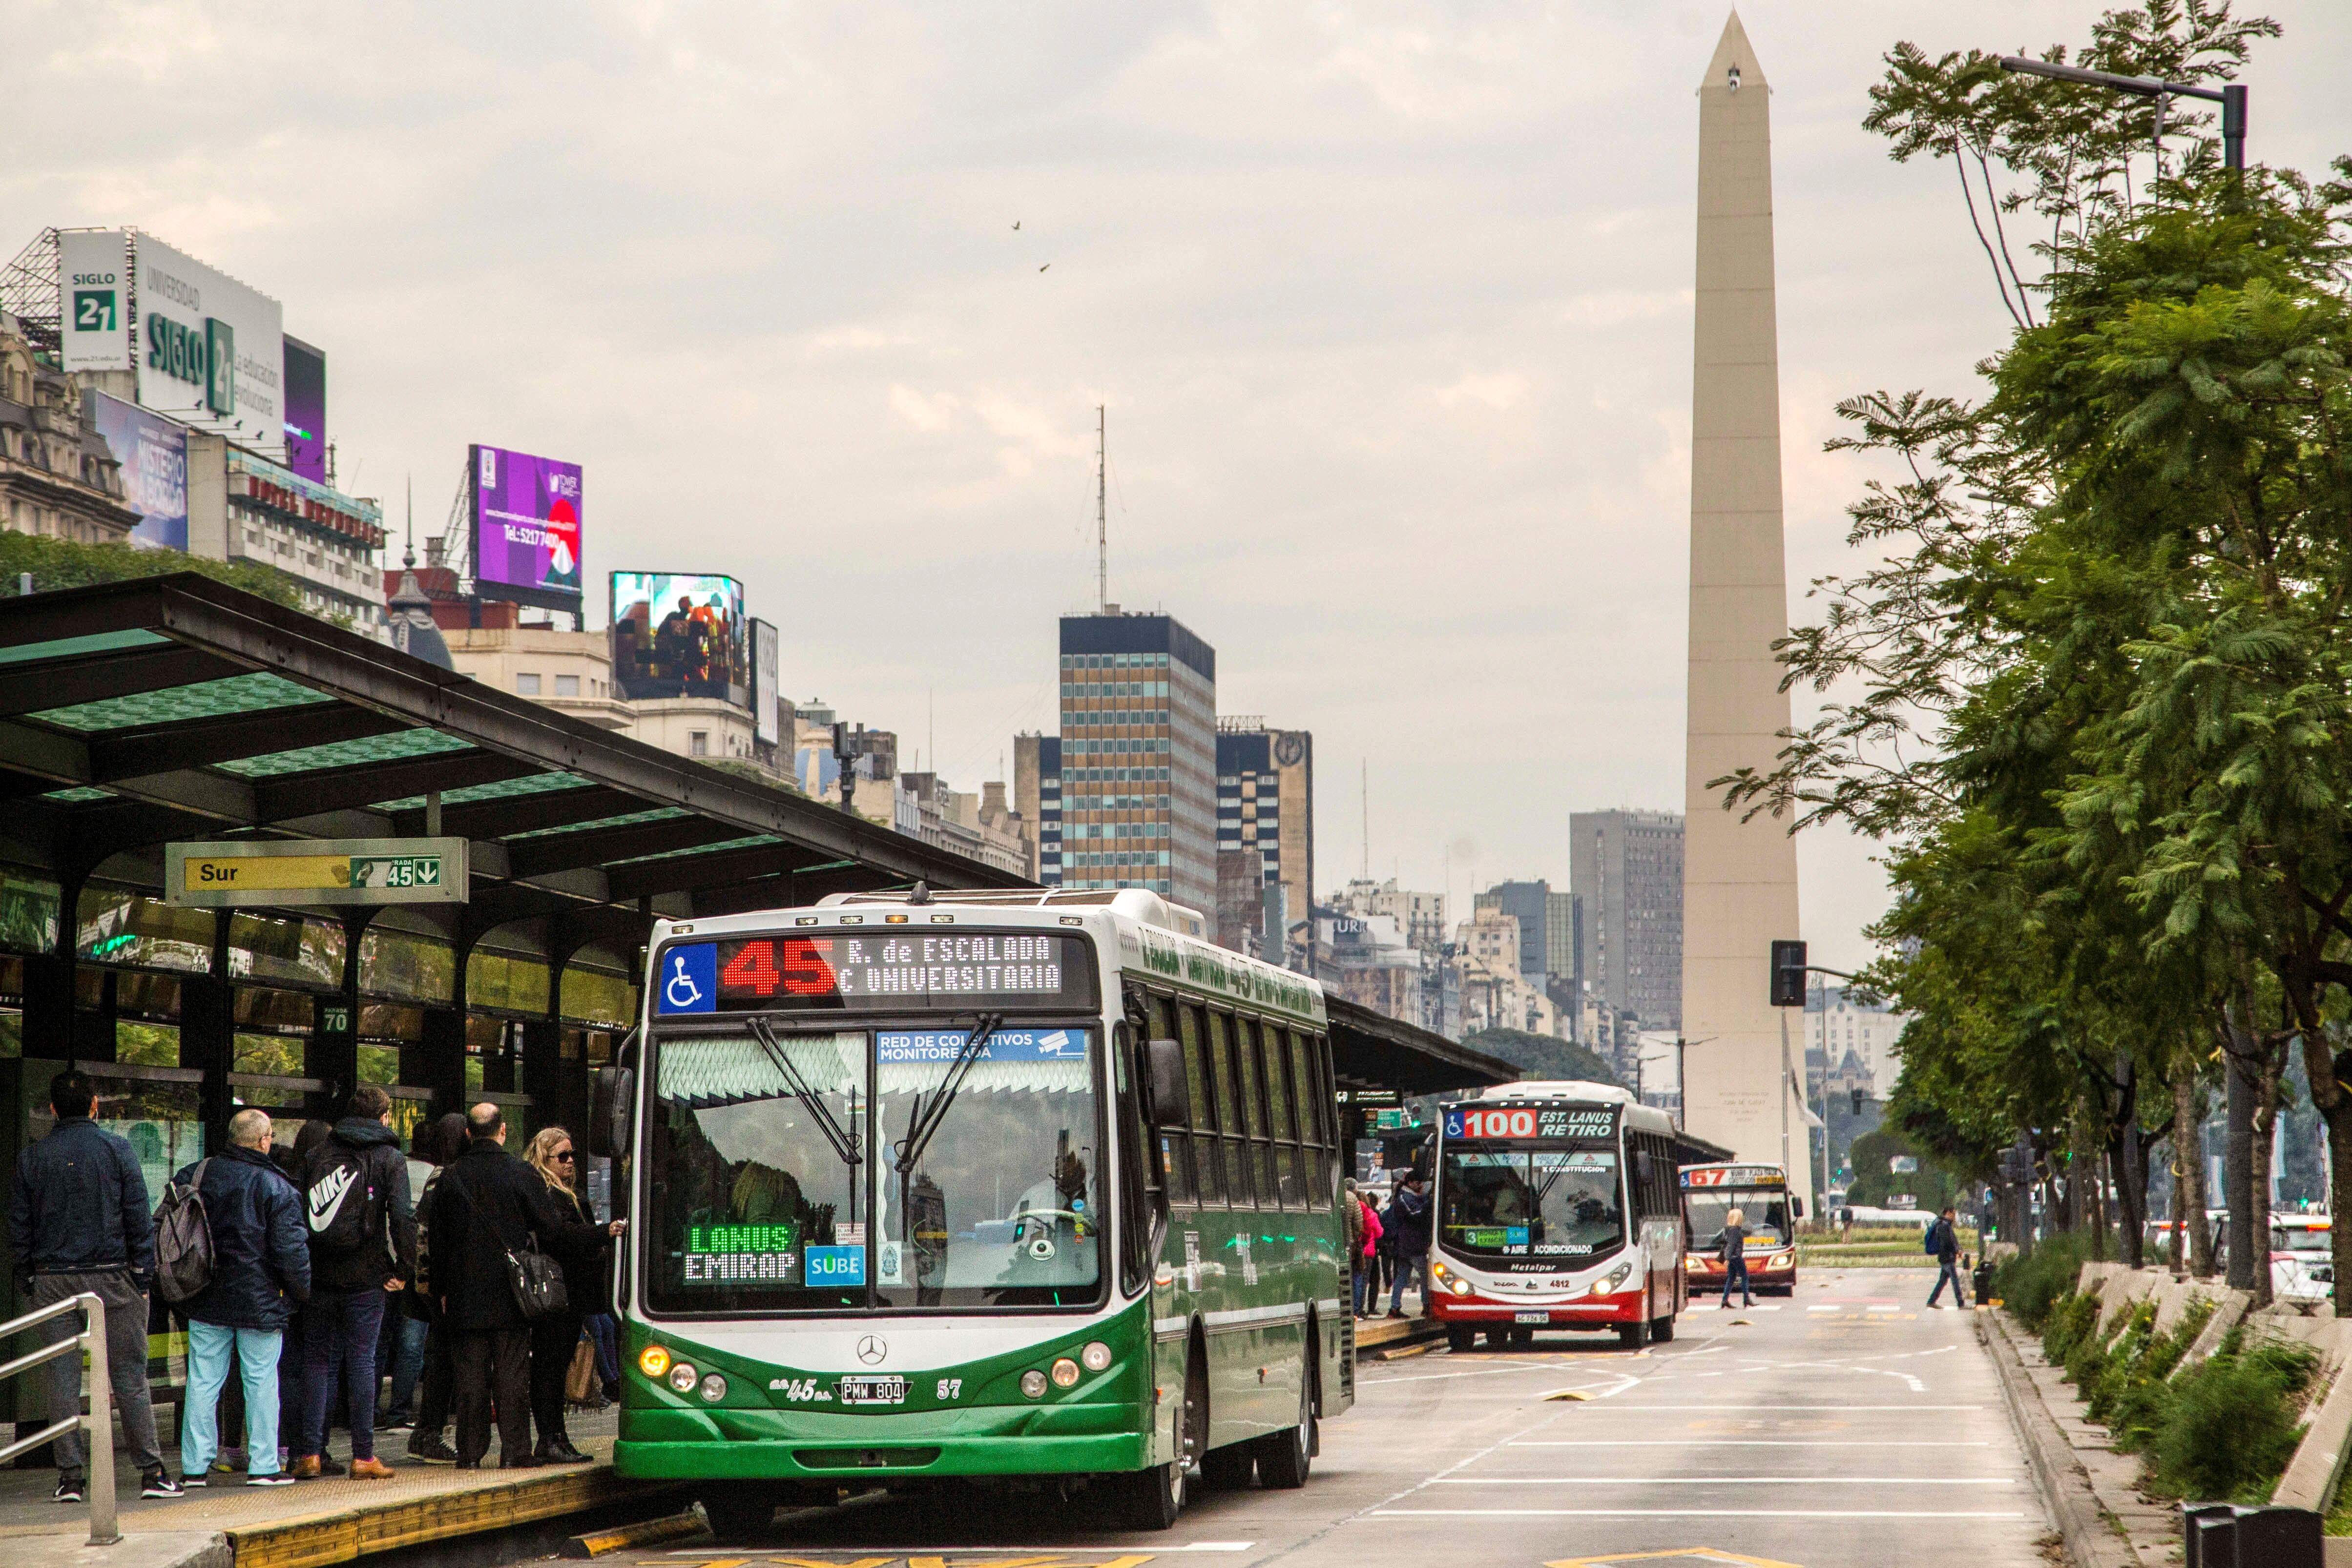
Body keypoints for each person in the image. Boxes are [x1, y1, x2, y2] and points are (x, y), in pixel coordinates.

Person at [7, 1070, 177, 1502]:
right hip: (113, 1275)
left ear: (52, 1110)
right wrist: (143, 1274)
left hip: (52, 1279)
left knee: (61, 1376)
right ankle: (151, 1472)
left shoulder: (33, 1157)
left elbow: (19, 1226)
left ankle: (71, 1478)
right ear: (95, 1104)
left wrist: (28, 1275)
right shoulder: (118, 1150)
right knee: (129, 1376)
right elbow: (137, 1215)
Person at [174, 1108, 310, 1488]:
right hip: (260, 1300)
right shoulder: (276, 1186)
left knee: (203, 1380)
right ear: (264, 1140)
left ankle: (194, 1466)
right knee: (262, 1380)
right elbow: (292, 1252)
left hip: (203, 1294)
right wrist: (300, 1294)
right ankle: (265, 1465)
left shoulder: (195, 1174)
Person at [291, 1087, 416, 1481]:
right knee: (362, 1361)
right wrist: (403, 1268)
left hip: (319, 1274)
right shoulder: (389, 1158)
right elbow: (401, 1218)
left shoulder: (316, 1155)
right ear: (383, 1116)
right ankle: (363, 1456)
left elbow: (298, 1215)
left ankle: (310, 1453)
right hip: (365, 1276)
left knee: (317, 1361)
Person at [433, 1104, 554, 1468]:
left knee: (470, 1376)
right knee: (512, 1374)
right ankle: (515, 1451)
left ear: (469, 1133)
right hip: (511, 1291)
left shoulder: (451, 1178)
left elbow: (437, 1240)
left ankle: (469, 1453)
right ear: (503, 1131)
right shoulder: (520, 1173)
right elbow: (548, 1224)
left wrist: (442, 1289)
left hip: (463, 1292)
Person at [520, 1128, 625, 1465]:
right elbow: (561, 1236)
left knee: (558, 1364)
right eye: (561, 1156)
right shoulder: (546, 1193)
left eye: (572, 1155)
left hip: (572, 1294)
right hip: (556, 1293)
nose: (569, 1162)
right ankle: (550, 1438)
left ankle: (557, 1437)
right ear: (544, 1158)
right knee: (550, 1367)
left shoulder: (568, 1192)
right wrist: (602, 1233)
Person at [406, 1113, 470, 1465]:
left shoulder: (437, 1176)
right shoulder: (450, 1178)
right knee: (444, 1360)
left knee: (439, 1356)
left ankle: (430, 1430)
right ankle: (431, 1431)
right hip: (443, 1284)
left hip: (428, 1284)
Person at [1384, 1173, 1433, 1319]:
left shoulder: (1409, 1197)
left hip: (1407, 1245)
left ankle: (1395, 1308)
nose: (1421, 1186)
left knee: (1402, 1276)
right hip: (1412, 1246)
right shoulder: (1404, 1199)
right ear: (1410, 1183)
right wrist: (1429, 1203)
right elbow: (1415, 1214)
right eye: (1419, 1183)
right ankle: (1426, 1305)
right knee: (1426, 1276)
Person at [1927, 1206, 1969, 1310]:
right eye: (1954, 1214)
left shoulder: (1945, 1225)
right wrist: (1957, 1251)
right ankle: (1961, 1303)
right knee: (1955, 1280)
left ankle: (1931, 1301)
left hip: (1946, 1256)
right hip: (1947, 1257)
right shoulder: (1943, 1225)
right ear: (1948, 1213)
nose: (1955, 1217)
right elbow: (1947, 1242)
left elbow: (1952, 1240)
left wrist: (1958, 1250)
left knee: (1943, 1281)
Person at [1719, 1206, 1753, 1309]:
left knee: (1731, 1278)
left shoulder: (1731, 1229)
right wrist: (1727, 1258)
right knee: (1745, 1276)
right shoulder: (1735, 1230)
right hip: (1736, 1257)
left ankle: (1725, 1300)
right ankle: (1746, 1299)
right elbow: (1731, 1245)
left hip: (1732, 1257)